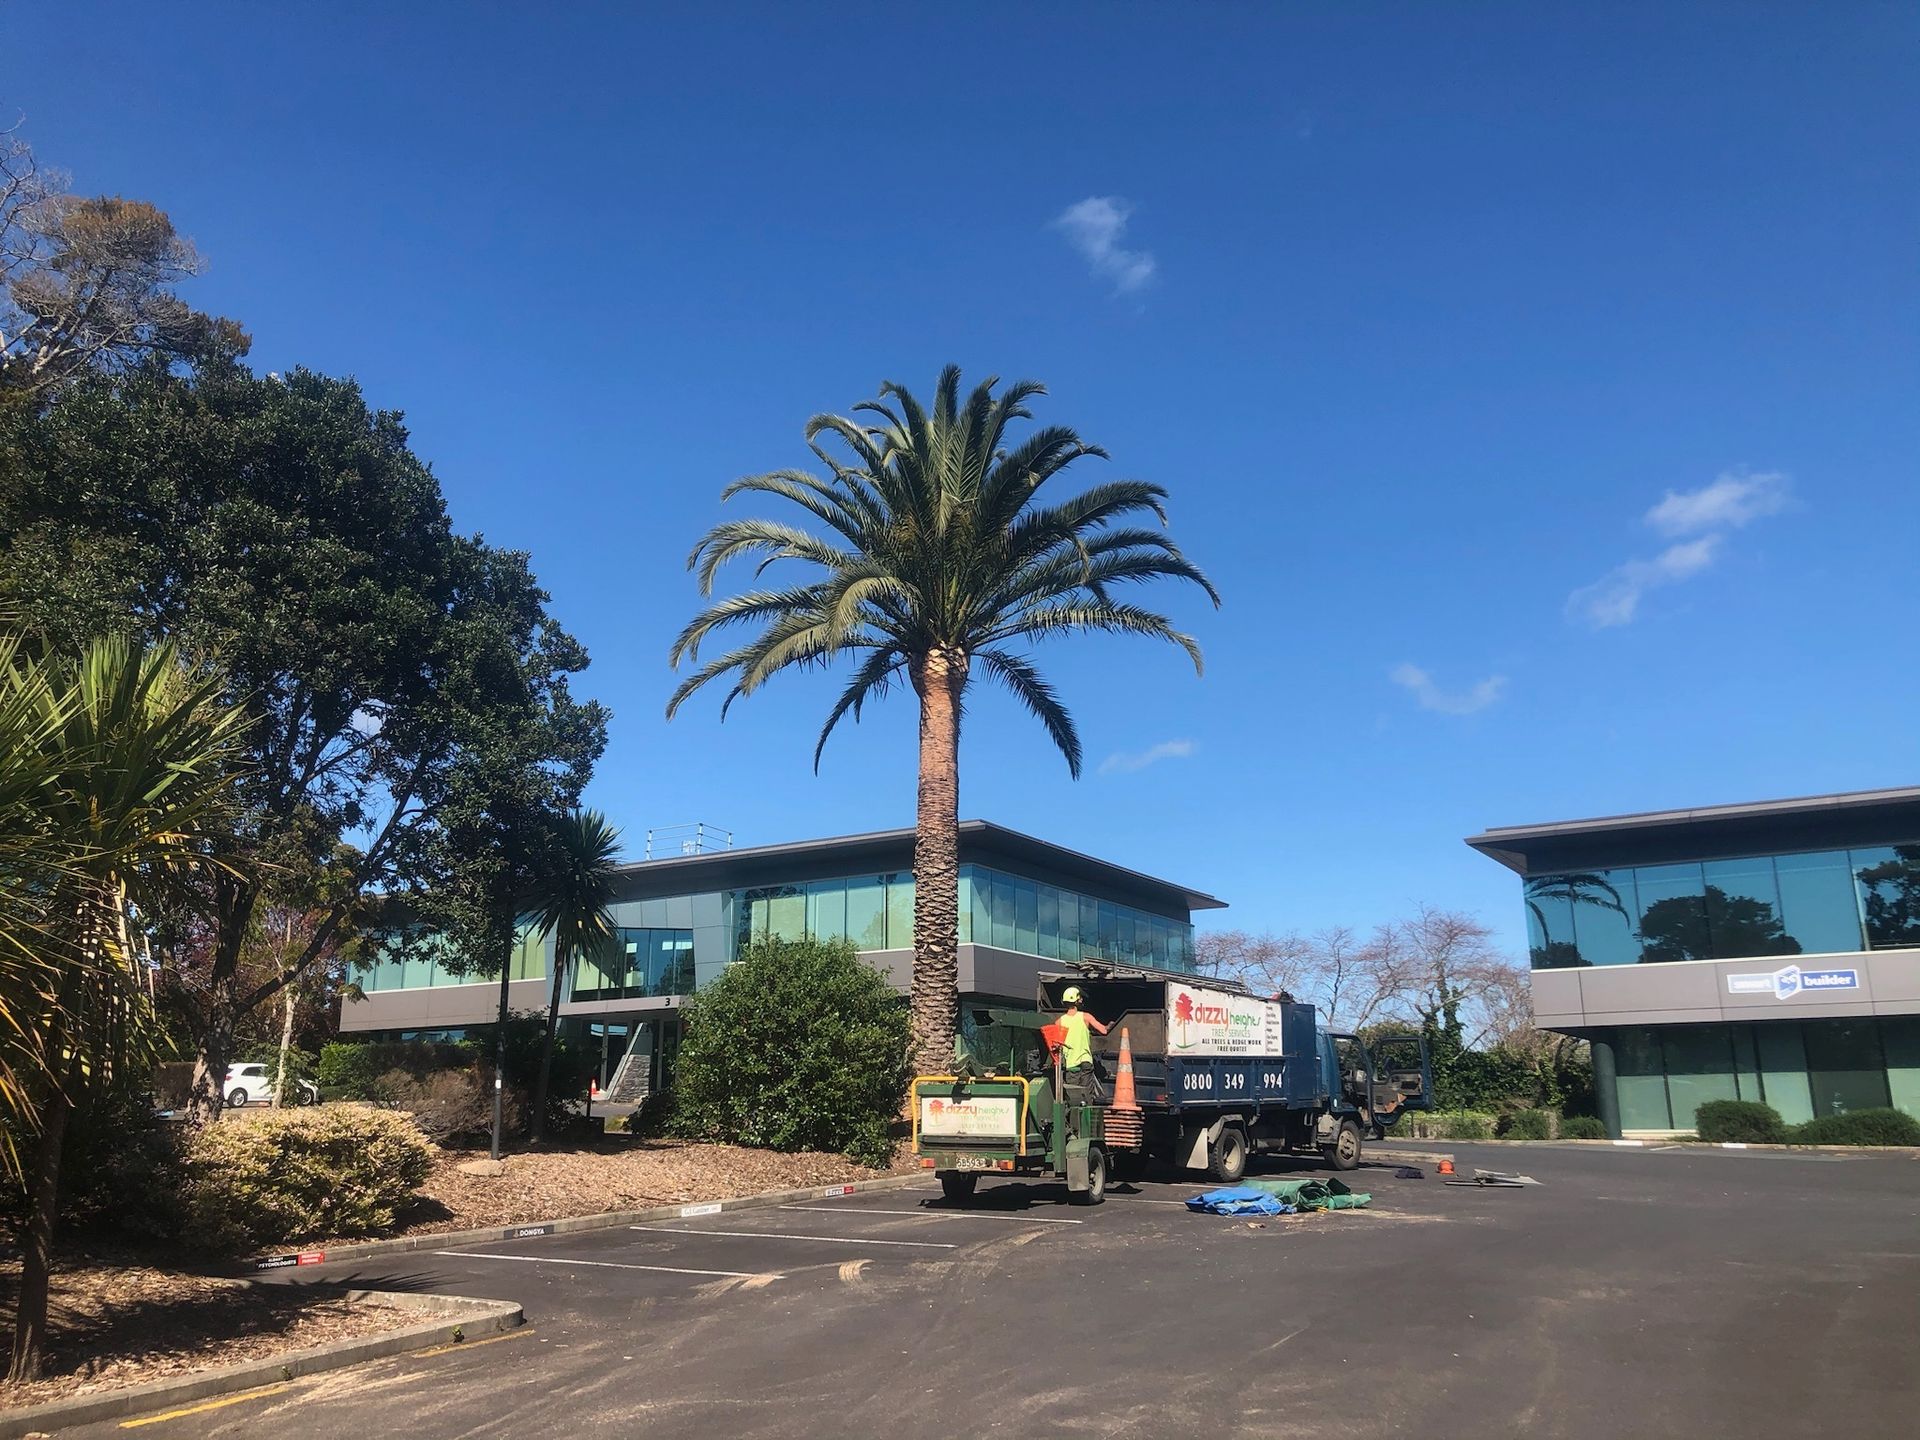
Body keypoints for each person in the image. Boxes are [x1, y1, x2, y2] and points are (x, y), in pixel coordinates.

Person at [1056, 985, 1110, 1105]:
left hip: (1070, 1065)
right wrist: (1110, 1025)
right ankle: (1087, 1118)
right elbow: (1104, 1031)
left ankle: (1074, 1121)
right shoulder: (1086, 1017)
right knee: (1086, 1096)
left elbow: (1056, 1043)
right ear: (1077, 1001)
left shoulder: (1059, 1022)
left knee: (1073, 1097)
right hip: (1085, 1062)